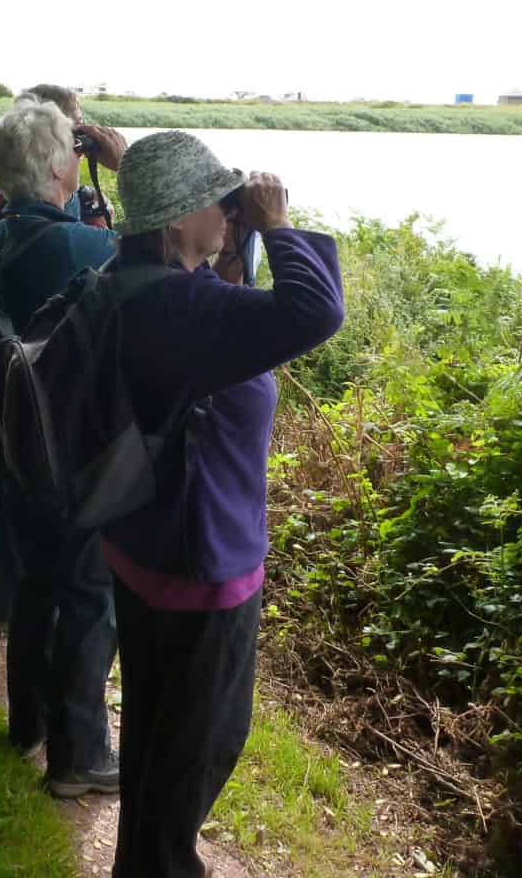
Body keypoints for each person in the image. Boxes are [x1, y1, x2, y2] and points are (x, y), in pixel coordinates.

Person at [100, 131, 345, 878]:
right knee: (198, 745)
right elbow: (313, 313)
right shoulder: (188, 310)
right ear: (177, 220)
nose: (229, 211)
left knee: (155, 732)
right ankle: (163, 865)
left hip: (142, 545)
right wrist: (275, 223)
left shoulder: (129, 279)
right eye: (219, 200)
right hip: (200, 564)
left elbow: (224, 330)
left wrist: (235, 254)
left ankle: (141, 860)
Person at [0, 99, 122, 797]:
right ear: (62, 164)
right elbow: (162, 273)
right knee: (89, 595)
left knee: (35, 582)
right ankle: (80, 756)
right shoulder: (78, 246)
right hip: (70, 453)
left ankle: (26, 721)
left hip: (11, 436)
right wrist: (122, 174)